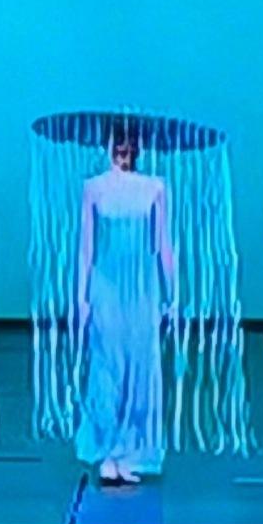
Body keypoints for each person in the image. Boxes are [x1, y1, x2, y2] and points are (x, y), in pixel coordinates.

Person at [76, 121, 177, 484]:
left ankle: (131, 450)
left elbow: (163, 245)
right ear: (107, 144)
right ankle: (108, 450)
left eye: (129, 141)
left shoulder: (155, 187)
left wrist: (173, 294)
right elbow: (86, 247)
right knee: (108, 365)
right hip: (107, 287)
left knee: (140, 366)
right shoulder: (93, 188)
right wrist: (81, 297)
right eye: (117, 141)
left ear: (138, 146)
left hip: (142, 289)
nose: (123, 148)